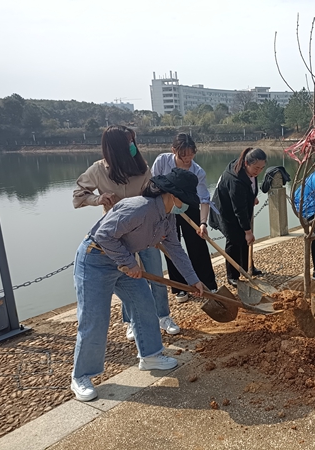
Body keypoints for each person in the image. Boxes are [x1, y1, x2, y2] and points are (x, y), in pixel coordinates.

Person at [71, 168, 204, 402]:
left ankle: (150, 356)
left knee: (144, 305)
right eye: (186, 200)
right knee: (94, 319)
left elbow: (175, 249)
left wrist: (193, 280)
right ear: (172, 195)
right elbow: (103, 236)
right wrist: (128, 263)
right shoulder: (138, 208)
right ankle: (81, 376)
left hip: (125, 261)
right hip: (95, 260)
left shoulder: (167, 217)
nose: (186, 206)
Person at [73, 126, 179, 340]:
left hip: (146, 232)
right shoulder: (98, 170)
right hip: (117, 236)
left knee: (156, 275)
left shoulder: (142, 168)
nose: (133, 146)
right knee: (127, 278)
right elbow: (77, 197)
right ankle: (130, 321)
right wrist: (98, 199)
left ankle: (163, 316)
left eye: (133, 141)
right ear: (115, 148)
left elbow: (153, 195)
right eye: (128, 142)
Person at [152, 133, 218, 302]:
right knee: (172, 246)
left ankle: (207, 284)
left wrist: (203, 223)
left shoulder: (198, 171)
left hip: (190, 208)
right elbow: (153, 185)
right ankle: (180, 287)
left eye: (191, 154)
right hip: (167, 209)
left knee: (198, 245)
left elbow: (204, 199)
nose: (188, 158)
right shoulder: (162, 161)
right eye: (184, 155)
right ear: (174, 150)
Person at [209, 147, 267, 286]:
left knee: (245, 240)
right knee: (234, 240)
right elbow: (238, 208)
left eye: (261, 168)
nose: (258, 171)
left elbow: (250, 187)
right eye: (256, 168)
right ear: (246, 163)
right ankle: (233, 275)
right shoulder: (235, 179)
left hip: (238, 206)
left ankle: (247, 267)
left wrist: (252, 197)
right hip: (225, 211)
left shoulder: (250, 170)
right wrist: (248, 232)